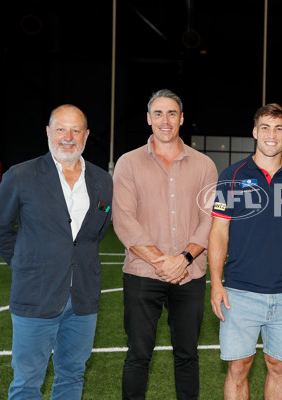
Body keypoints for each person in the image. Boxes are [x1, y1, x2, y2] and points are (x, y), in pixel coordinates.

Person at [0, 105, 113, 399]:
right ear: (48, 132)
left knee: (72, 376)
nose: (67, 137)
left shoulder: (102, 180)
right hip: (35, 295)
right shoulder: (21, 175)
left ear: (86, 136)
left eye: (75, 130)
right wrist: (24, 264)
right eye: (61, 129)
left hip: (83, 298)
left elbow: (98, 231)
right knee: (27, 381)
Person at [112, 89, 218, 399]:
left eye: (172, 113)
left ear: (182, 118)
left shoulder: (204, 165)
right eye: (158, 113)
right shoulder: (128, 163)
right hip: (142, 274)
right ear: (148, 119)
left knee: (187, 356)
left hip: (190, 275)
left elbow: (209, 219)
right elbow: (124, 220)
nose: (165, 120)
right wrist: (164, 262)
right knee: (138, 356)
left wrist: (183, 259)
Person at [208, 103, 282, 399]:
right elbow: (218, 231)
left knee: (278, 366)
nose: (271, 134)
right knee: (239, 368)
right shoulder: (233, 173)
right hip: (240, 292)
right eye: (265, 127)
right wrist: (216, 283)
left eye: (279, 128)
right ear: (255, 132)